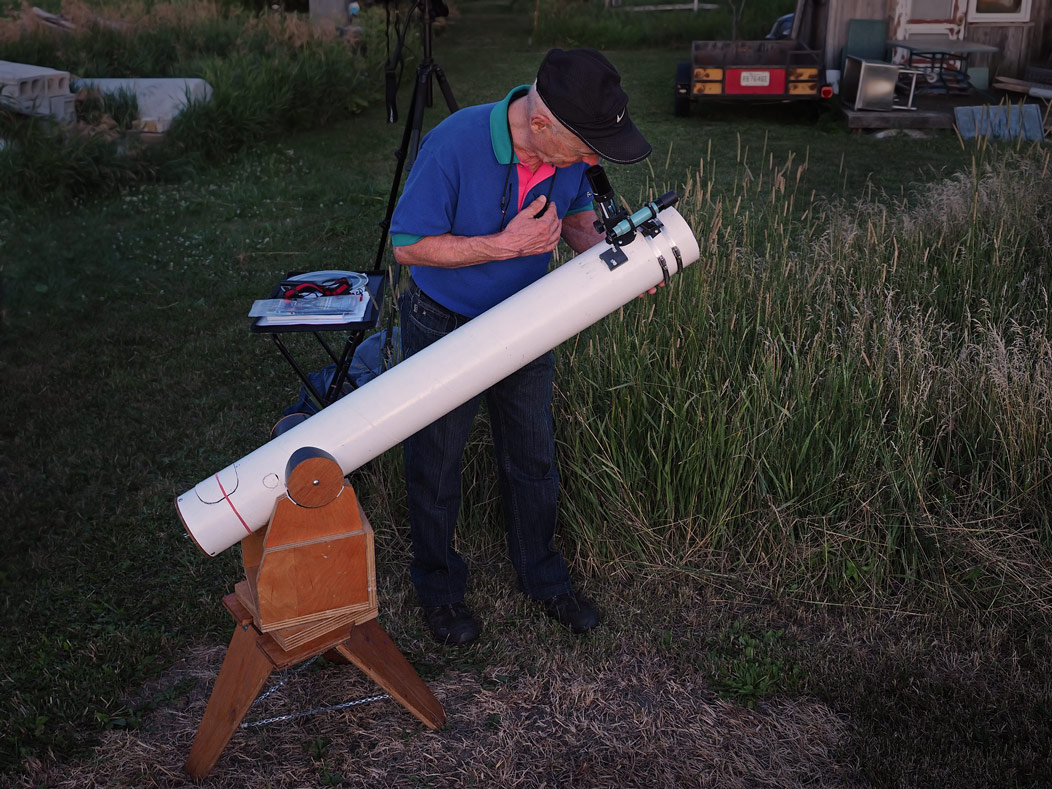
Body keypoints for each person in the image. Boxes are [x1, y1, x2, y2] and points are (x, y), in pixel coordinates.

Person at [389, 48, 651, 645]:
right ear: (540, 124)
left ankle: (544, 578)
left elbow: (580, 222)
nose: (591, 159)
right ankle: (440, 589)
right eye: (585, 147)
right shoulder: (454, 144)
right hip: (444, 320)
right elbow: (408, 244)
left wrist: (632, 266)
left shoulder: (568, 156)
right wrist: (503, 247)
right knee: (436, 460)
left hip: (528, 318)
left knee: (531, 454)